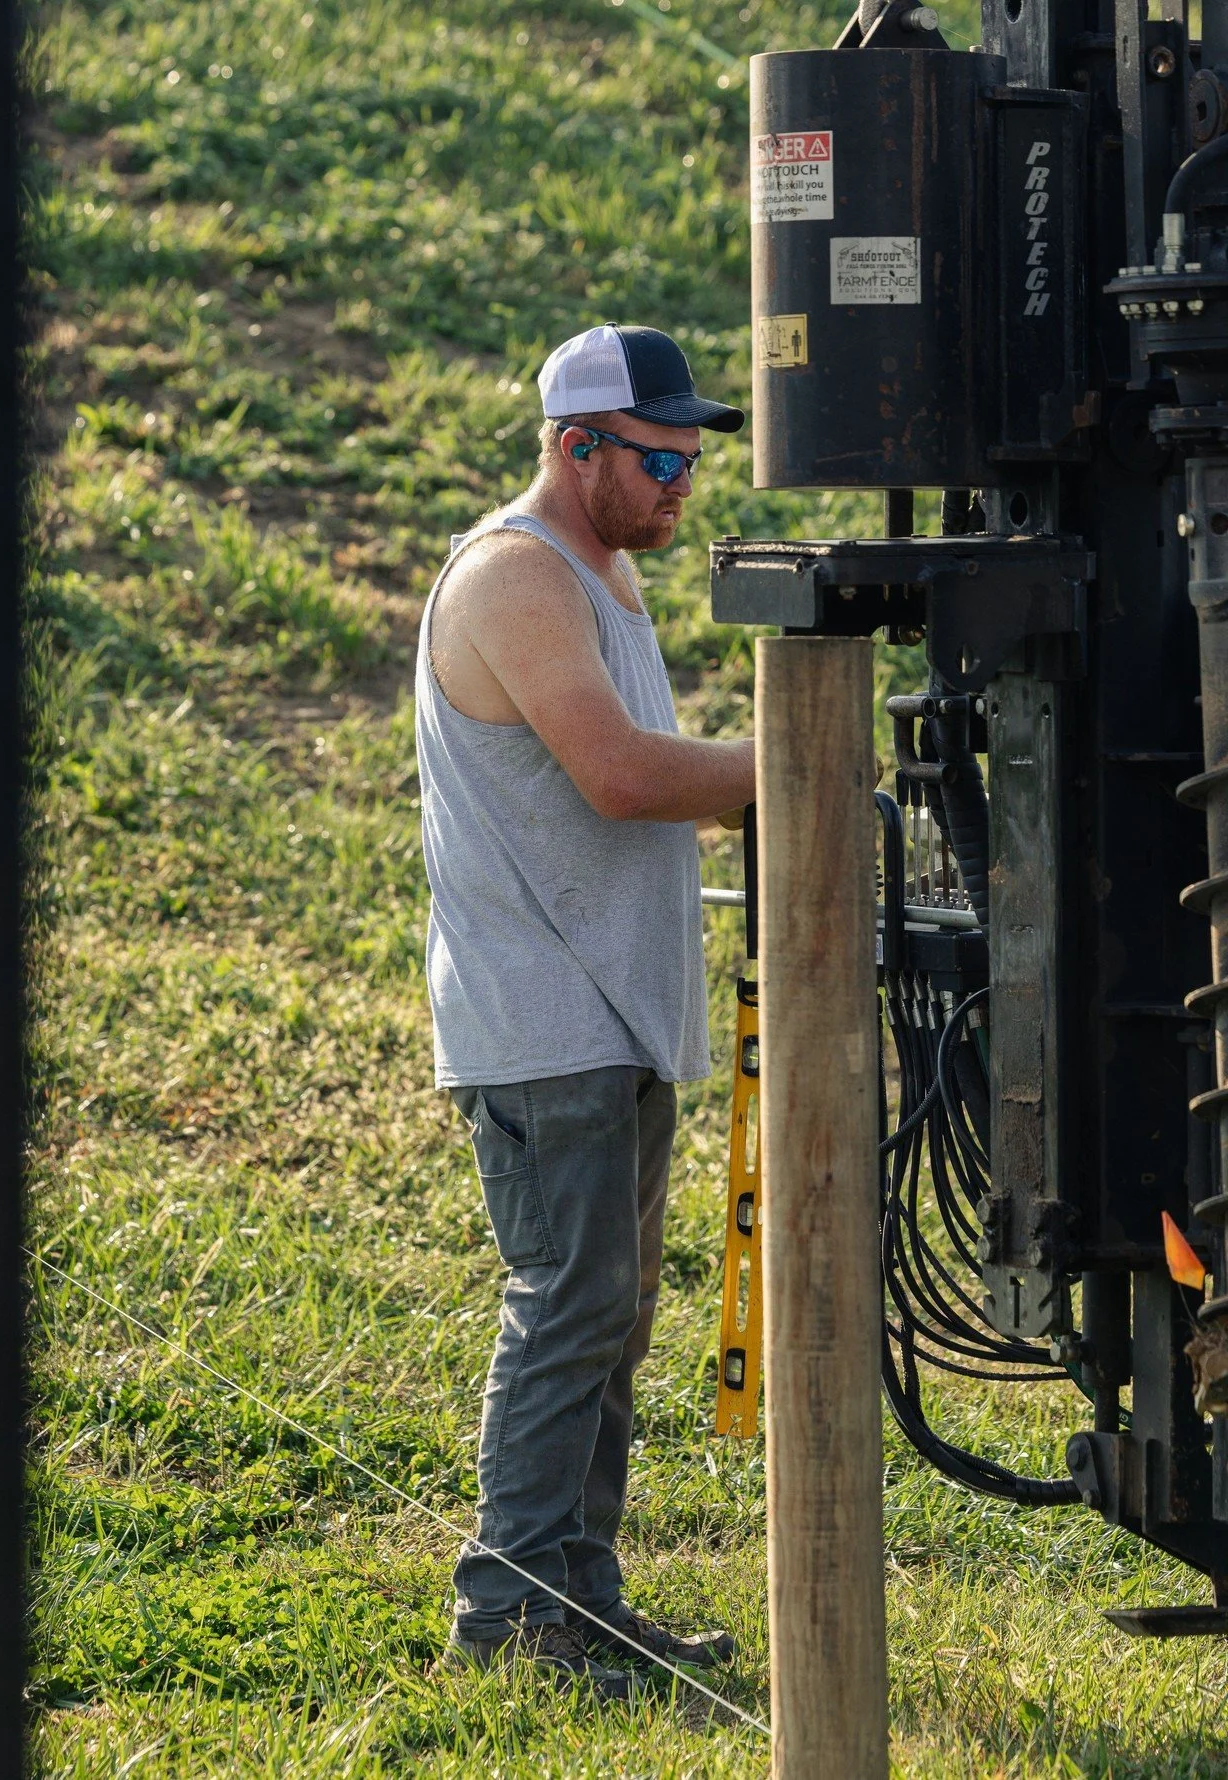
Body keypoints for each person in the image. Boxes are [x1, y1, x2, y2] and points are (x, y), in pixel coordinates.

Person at [415, 323, 756, 1698]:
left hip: (606, 1019)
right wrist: (788, 764)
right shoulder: (516, 577)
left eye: (694, 456)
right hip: (542, 1016)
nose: (685, 481)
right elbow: (616, 775)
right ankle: (511, 1617)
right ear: (577, 449)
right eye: (661, 455)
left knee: (608, 1314)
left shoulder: (605, 571)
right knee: (569, 1306)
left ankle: (585, 1606)